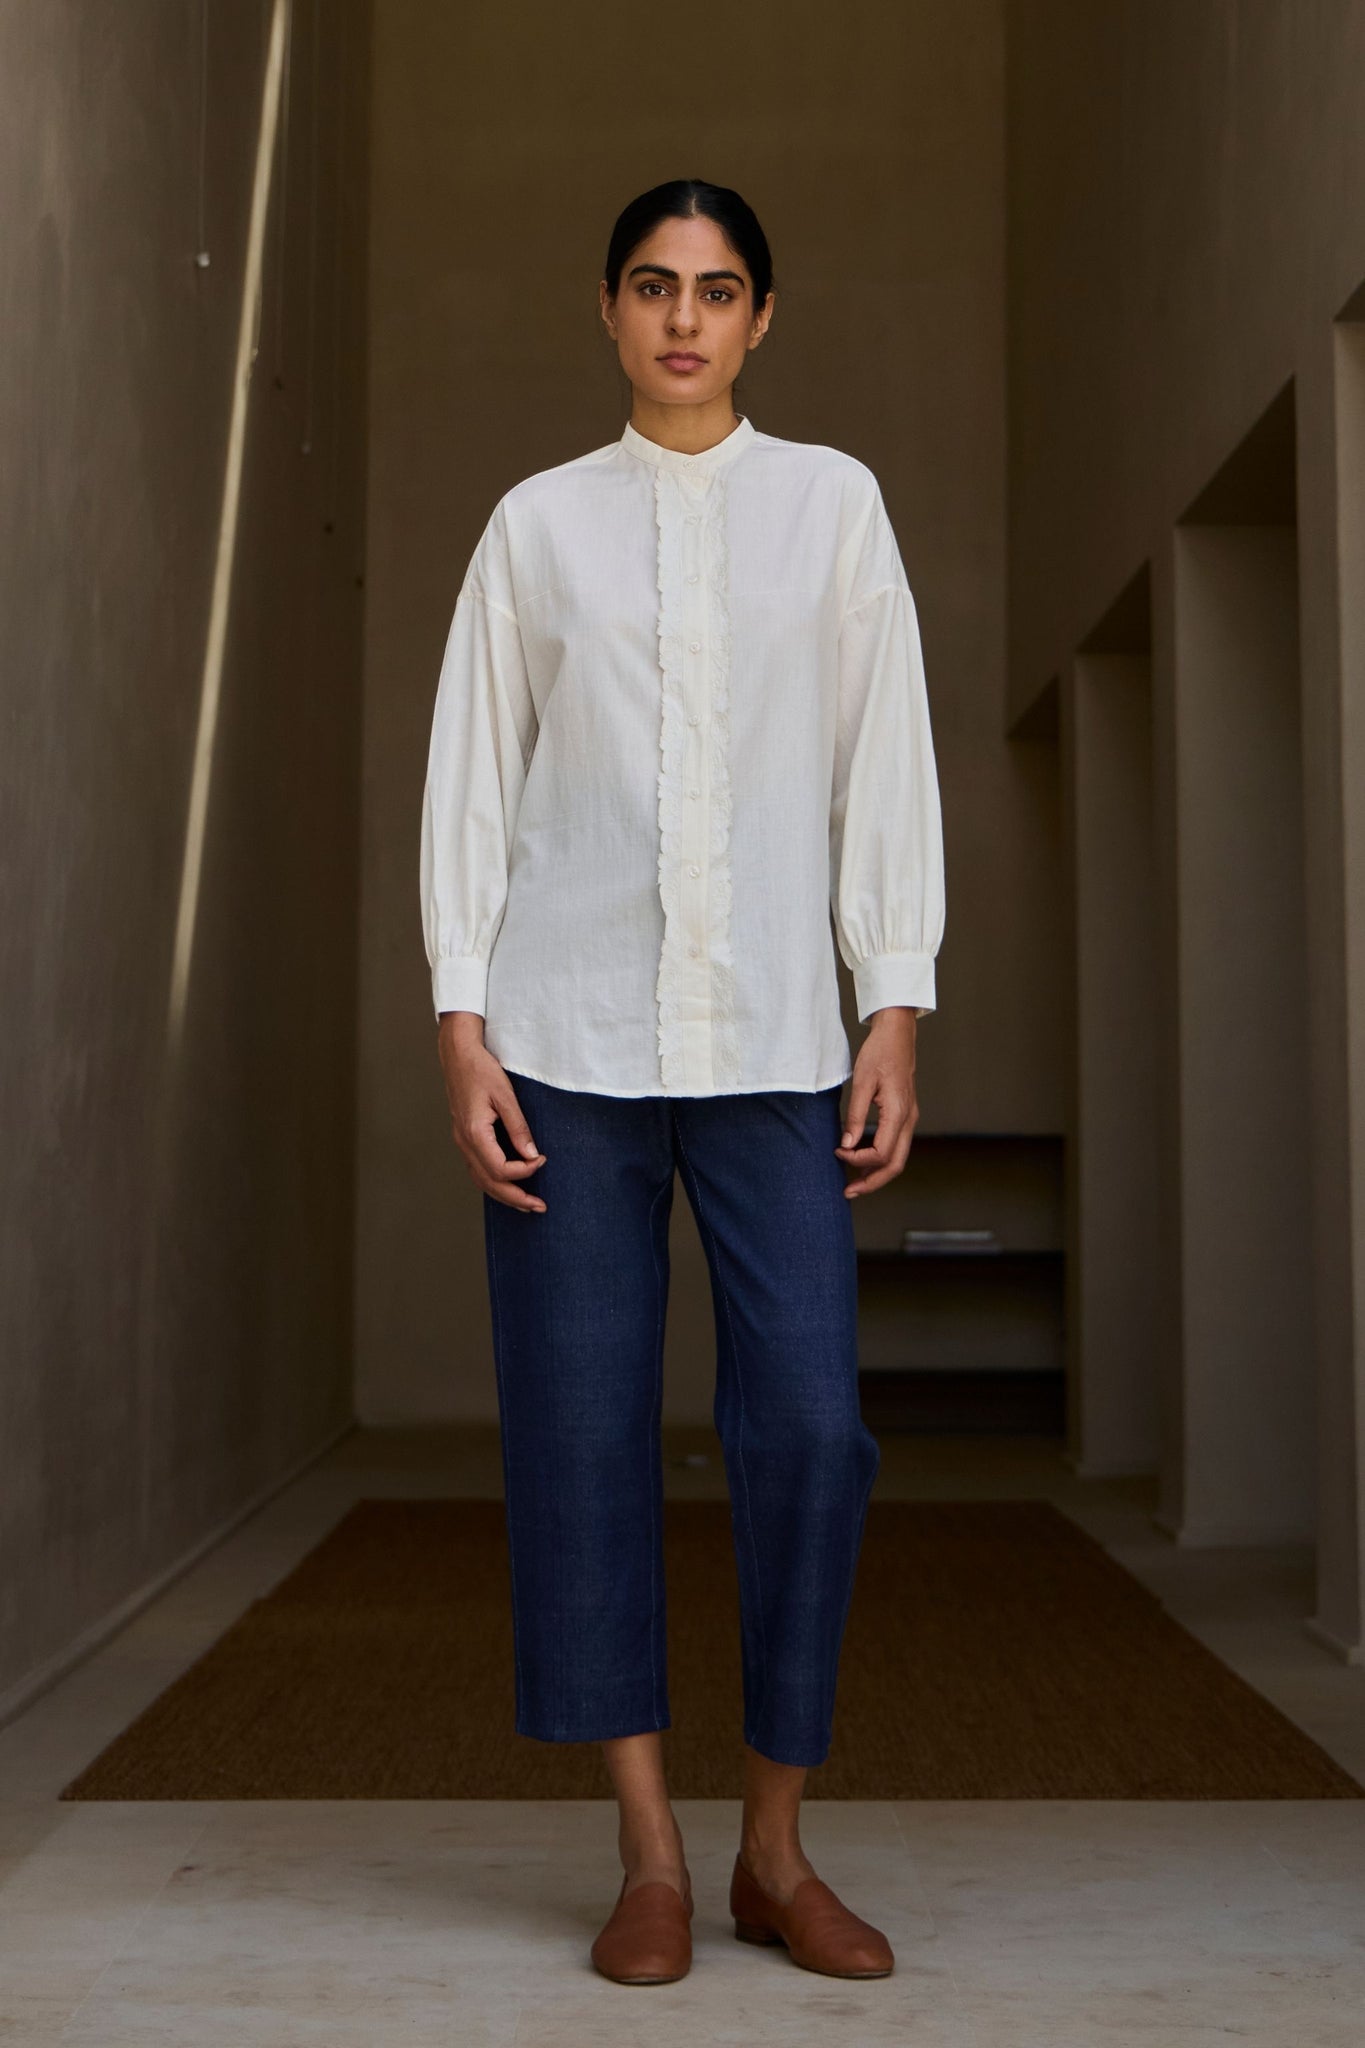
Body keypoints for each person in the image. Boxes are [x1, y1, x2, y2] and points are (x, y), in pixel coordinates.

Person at [420, 177, 945, 1987]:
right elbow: (474, 777)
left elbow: (882, 757)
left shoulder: (833, 506)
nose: (683, 320)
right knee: (580, 1433)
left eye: (717, 292)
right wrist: (462, 1019)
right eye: (653, 286)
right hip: (562, 1045)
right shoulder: (535, 525)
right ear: (607, 305)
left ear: (761, 317)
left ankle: (771, 1850)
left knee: (808, 1428)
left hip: (777, 1043)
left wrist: (893, 998)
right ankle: (646, 1855)